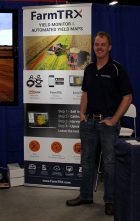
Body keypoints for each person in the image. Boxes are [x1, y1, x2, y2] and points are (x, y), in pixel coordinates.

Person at [66, 31, 133, 216]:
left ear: (109, 47)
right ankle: (85, 195)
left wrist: (114, 119)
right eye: (96, 44)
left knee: (109, 164)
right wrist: (81, 114)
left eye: (103, 44)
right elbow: (85, 94)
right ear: (93, 47)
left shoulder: (118, 69)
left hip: (107, 125)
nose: (99, 47)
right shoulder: (89, 69)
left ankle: (110, 201)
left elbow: (127, 97)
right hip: (88, 124)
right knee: (86, 162)